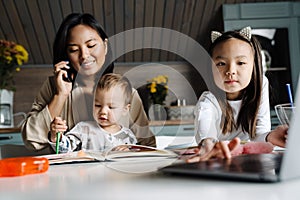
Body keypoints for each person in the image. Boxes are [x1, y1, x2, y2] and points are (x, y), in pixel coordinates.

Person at [22, 13, 156, 153]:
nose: (84, 55)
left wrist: (130, 151)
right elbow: (32, 140)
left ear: (105, 46)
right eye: (74, 50)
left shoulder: (127, 92)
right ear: (66, 54)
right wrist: (60, 95)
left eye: (91, 45)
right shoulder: (53, 87)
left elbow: (148, 146)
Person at [187, 27, 288, 162]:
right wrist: (208, 144)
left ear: (254, 66)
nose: (230, 71)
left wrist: (271, 136)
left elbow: (259, 135)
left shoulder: (261, 85)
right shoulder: (208, 101)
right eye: (221, 63)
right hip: (222, 159)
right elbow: (206, 135)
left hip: (251, 159)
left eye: (240, 63)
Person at [49, 73, 137, 153]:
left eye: (111, 107)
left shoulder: (128, 135)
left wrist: (128, 152)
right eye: (98, 105)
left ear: (125, 109)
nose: (103, 112)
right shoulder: (83, 129)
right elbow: (64, 150)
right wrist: (56, 137)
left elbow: (135, 159)